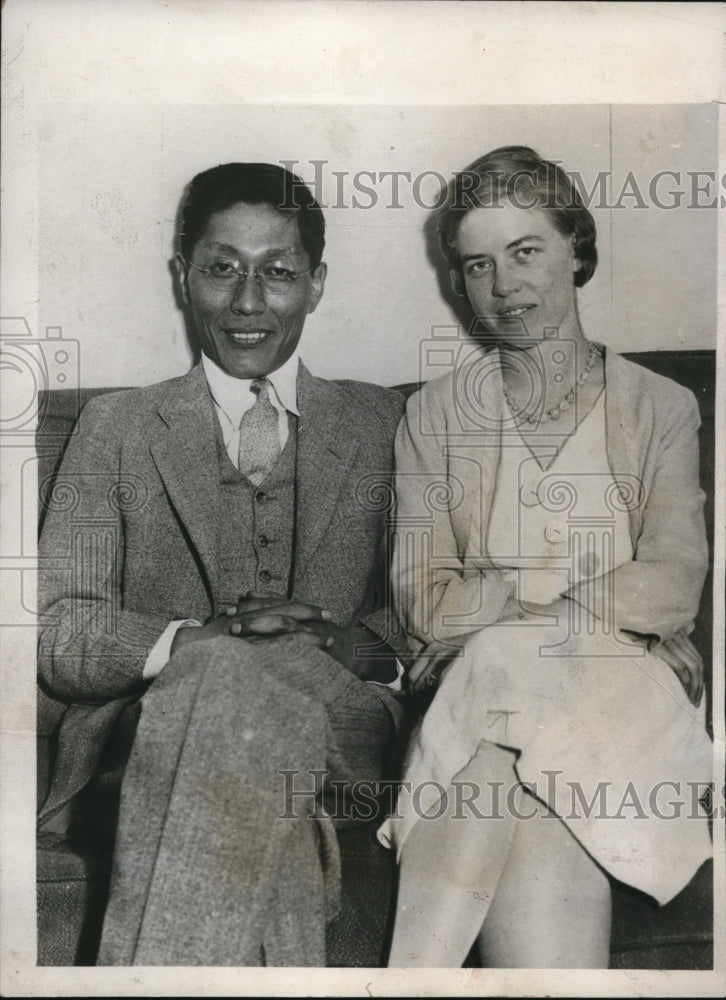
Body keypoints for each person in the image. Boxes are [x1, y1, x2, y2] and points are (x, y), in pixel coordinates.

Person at [37, 162, 407, 966]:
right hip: (151, 727)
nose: (247, 302)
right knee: (226, 693)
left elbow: (424, 615)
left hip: (341, 732)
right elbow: (60, 630)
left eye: (277, 273)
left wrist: (350, 646)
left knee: (239, 707)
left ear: (316, 284)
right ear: (183, 278)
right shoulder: (117, 428)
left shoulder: (387, 423)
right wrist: (191, 643)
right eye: (220, 269)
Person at [378, 146, 713, 968]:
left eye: (527, 251)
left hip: (621, 700)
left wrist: (522, 613)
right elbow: (424, 601)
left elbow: (675, 580)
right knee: (512, 774)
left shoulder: (663, 407)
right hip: (493, 701)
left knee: (496, 657)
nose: (505, 286)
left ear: (576, 249)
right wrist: (589, 602)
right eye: (478, 265)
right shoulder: (433, 416)